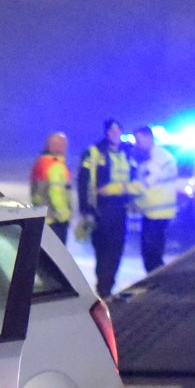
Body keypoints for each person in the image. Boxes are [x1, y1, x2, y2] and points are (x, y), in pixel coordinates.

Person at [77, 119, 135, 299]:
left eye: (118, 130)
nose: (115, 134)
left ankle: (107, 286)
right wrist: (85, 209)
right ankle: (103, 287)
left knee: (117, 248)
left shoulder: (127, 152)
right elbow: (83, 182)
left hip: (121, 207)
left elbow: (134, 177)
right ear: (106, 132)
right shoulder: (94, 152)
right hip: (101, 207)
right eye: (112, 131)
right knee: (103, 248)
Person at [130, 125, 178, 273]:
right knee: (148, 253)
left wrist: (121, 189)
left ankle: (160, 284)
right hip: (150, 213)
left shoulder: (160, 158)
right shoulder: (147, 158)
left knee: (153, 253)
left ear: (149, 138)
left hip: (159, 214)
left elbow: (145, 183)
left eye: (139, 140)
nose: (137, 144)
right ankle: (155, 282)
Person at [29, 132, 73, 242]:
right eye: (63, 145)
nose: (65, 148)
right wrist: (64, 217)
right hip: (54, 221)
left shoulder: (40, 162)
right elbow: (56, 193)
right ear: (54, 147)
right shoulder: (55, 165)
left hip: (41, 217)